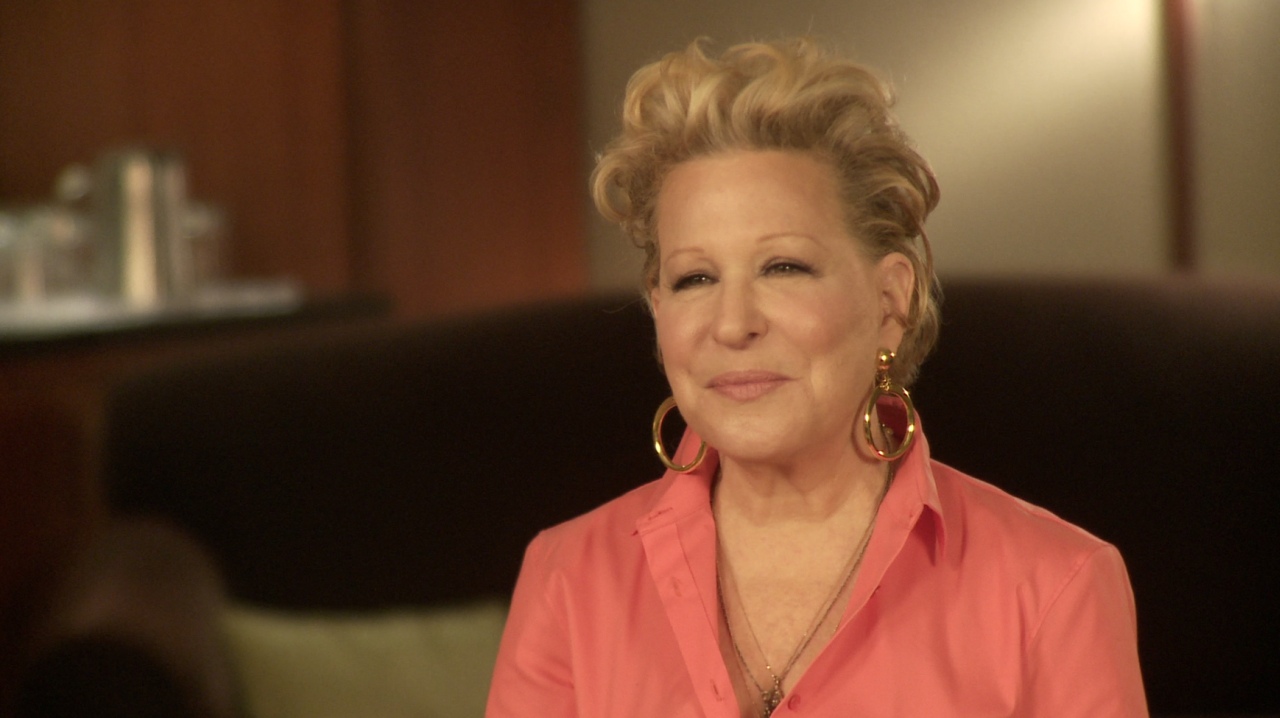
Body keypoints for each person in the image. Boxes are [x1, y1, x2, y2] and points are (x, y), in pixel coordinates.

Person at [486, 37, 1147, 717]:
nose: (732, 323)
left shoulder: (1055, 584)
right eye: (695, 279)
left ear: (890, 303)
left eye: (784, 268)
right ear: (659, 311)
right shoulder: (567, 577)